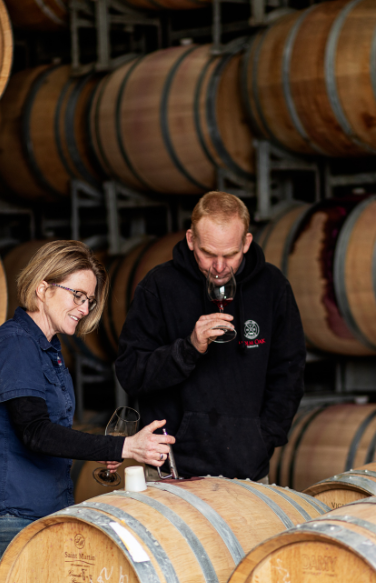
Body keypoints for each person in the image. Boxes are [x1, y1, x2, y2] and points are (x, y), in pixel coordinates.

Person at [0, 240, 174, 583]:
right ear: (42, 288)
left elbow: (50, 432)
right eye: (77, 295)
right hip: (9, 518)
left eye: (88, 300)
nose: (84, 308)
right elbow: (35, 432)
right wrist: (124, 445)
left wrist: (104, 447)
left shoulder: (47, 349)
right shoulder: (15, 345)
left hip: (37, 514)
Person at [115, 192, 305, 482]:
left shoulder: (272, 287)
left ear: (247, 243)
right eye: (208, 254)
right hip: (174, 473)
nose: (219, 267)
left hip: (250, 472)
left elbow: (289, 373)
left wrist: (263, 439)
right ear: (191, 240)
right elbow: (130, 373)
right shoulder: (159, 287)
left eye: (230, 254)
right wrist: (188, 349)